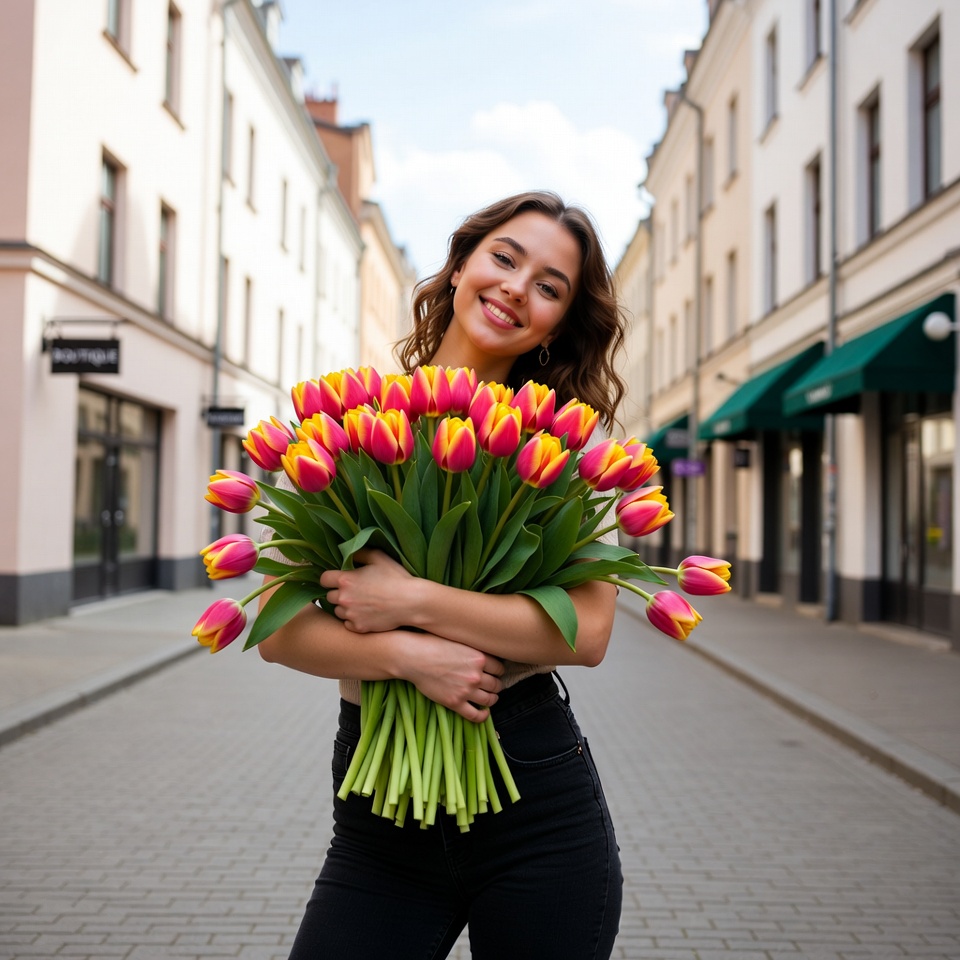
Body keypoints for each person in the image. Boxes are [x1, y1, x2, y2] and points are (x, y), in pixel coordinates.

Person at [257, 190, 628, 959]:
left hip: (534, 808)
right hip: (378, 820)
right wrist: (404, 655)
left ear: (558, 321)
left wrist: (409, 598)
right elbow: (276, 627)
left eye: (550, 286)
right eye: (505, 257)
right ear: (461, 266)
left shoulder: (562, 440)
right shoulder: (348, 418)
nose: (517, 288)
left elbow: (587, 632)